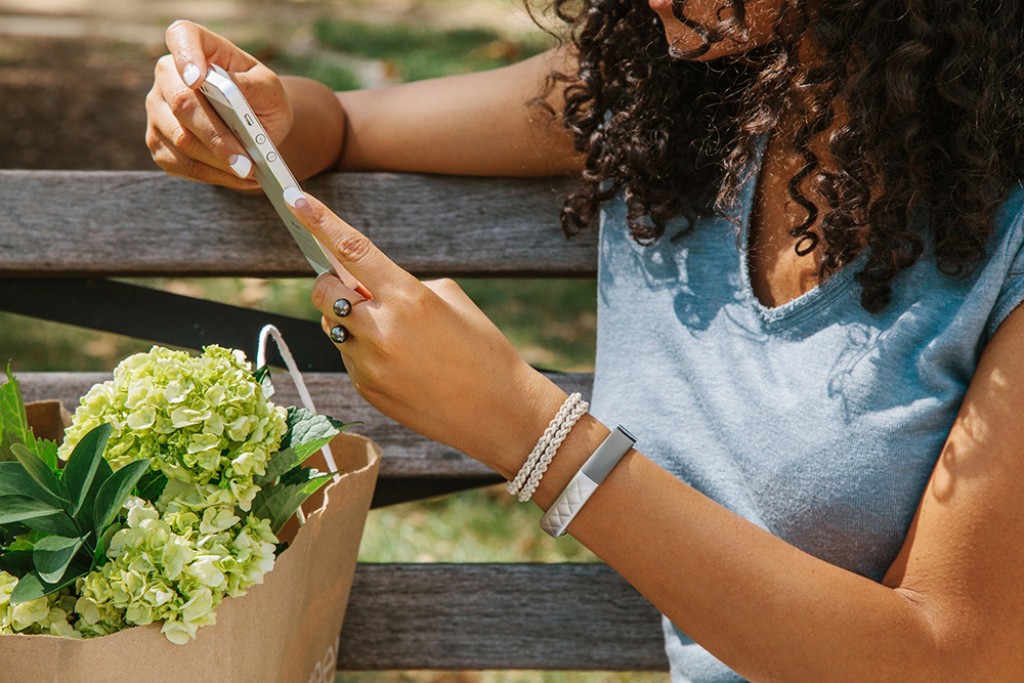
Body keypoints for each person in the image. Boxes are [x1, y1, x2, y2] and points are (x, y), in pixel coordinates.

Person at [145, 2, 1024, 680]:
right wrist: (252, 118)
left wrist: (530, 431)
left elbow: (949, 659)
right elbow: (343, 123)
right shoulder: (671, 87)